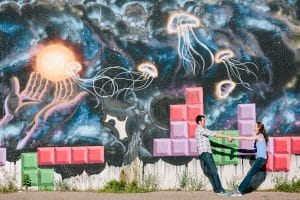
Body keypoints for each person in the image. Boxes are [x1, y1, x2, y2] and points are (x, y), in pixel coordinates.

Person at [195, 115, 233, 196]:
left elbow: (213, 133)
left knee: (213, 170)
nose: (205, 122)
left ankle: (218, 189)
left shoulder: (203, 129)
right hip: (205, 153)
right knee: (213, 170)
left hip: (207, 153)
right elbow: (214, 134)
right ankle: (219, 190)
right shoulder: (200, 129)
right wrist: (227, 137)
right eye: (203, 120)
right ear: (199, 122)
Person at [230, 122, 268, 196]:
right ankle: (239, 190)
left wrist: (233, 138)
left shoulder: (259, 136)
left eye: (255, 126)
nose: (253, 127)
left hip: (261, 159)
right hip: (261, 159)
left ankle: (240, 191)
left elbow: (245, 138)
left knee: (249, 174)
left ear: (258, 128)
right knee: (250, 174)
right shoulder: (260, 136)